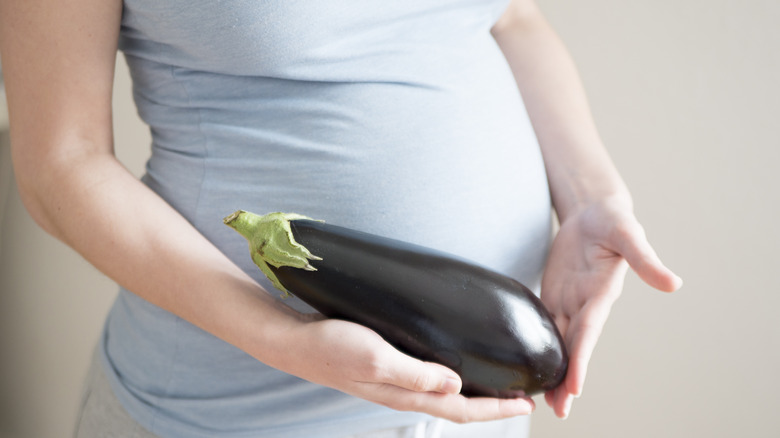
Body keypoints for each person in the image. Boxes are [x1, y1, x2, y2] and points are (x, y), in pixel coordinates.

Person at [0, 0, 682, 437]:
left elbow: (510, 18)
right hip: (233, 411)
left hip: (470, 401)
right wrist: (280, 337)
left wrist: (591, 198)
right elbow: (61, 164)